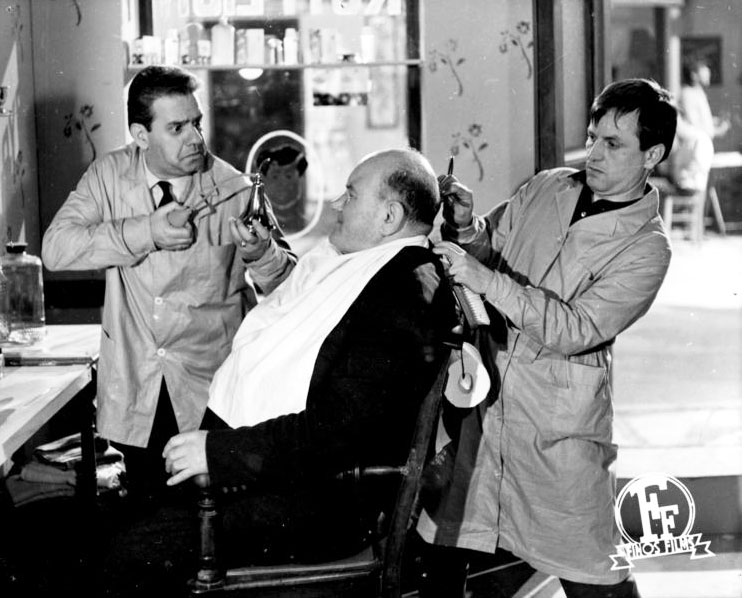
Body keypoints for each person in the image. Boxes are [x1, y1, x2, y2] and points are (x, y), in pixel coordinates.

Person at [92, 148, 456, 596]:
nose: (336, 204)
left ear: (389, 216)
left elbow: (338, 430)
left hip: (317, 503)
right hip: (282, 476)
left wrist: (219, 453)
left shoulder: (402, 292)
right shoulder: (368, 264)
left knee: (124, 553)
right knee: (115, 520)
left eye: (351, 195)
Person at [417, 79, 677, 598]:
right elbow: (493, 248)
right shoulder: (547, 186)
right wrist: (467, 228)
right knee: (448, 545)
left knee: (592, 572)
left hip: (558, 428)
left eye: (613, 144)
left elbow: (575, 329)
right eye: (593, 136)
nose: (593, 153)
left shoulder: (648, 248)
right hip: (486, 404)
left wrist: (484, 279)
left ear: (652, 155)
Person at [41, 65, 296, 505]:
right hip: (138, 385)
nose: (195, 138)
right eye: (177, 128)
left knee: (215, 519)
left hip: (212, 387)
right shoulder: (108, 176)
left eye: (196, 123)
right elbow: (55, 249)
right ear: (141, 135)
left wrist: (260, 253)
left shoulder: (234, 188)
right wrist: (147, 232)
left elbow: (290, 287)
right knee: (147, 519)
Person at [679, 59, 730, 142]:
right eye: (704, 71)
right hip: (695, 145)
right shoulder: (688, 94)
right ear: (693, 75)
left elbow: (700, 119)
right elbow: (694, 125)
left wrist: (716, 121)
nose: (708, 73)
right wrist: (718, 131)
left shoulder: (698, 92)